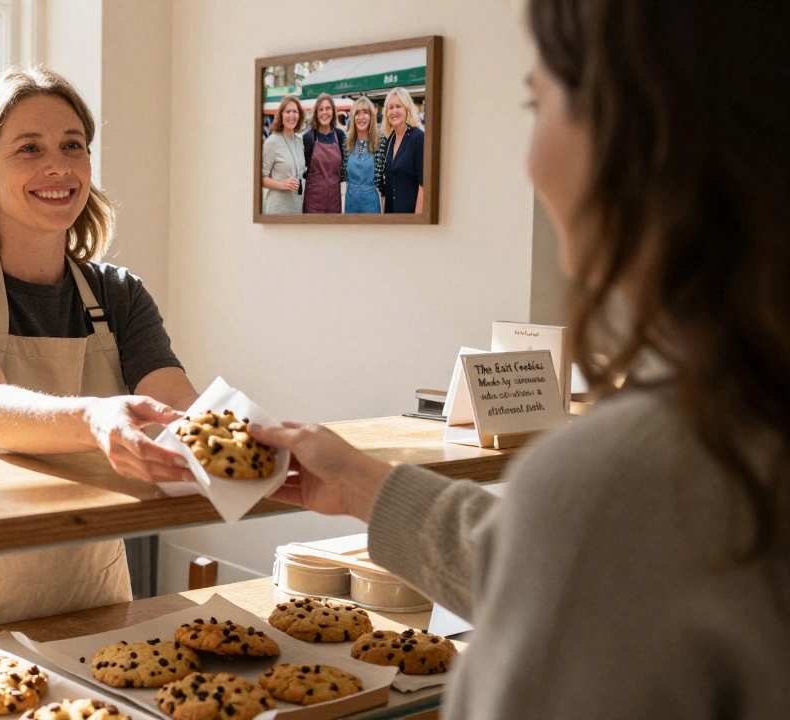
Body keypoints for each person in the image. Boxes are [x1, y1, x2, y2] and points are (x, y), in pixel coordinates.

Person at [252, 0, 790, 715]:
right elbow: (591, 576)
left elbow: (598, 553)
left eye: (537, 102)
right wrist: (365, 486)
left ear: (644, 130)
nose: (531, 160)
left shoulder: (627, 478)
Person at [0, 67, 198, 643]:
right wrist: (98, 418)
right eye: (30, 149)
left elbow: (178, 405)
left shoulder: (117, 294)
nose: (59, 167)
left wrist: (256, 442)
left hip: (89, 585)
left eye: (73, 146)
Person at [380, 87, 425, 214]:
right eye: (390, 107)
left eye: (398, 106)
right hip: (391, 215)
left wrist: (417, 219)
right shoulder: (390, 140)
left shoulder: (418, 138)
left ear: (407, 109)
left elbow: (424, 185)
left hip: (409, 215)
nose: (394, 111)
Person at [300, 94, 347, 214]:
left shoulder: (340, 136)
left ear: (333, 111)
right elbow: (301, 168)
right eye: (321, 109)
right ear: (316, 113)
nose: (324, 112)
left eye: (328, 108)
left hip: (334, 200)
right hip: (313, 202)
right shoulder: (308, 138)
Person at [260, 95, 305, 215]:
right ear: (281, 115)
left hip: (296, 209)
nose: (291, 115)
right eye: (288, 111)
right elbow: (260, 178)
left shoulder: (299, 141)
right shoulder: (272, 142)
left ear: (299, 115)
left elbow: (299, 174)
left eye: (295, 111)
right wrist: (283, 184)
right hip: (278, 210)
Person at [343, 96, 382, 214]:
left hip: (370, 203)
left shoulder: (380, 142)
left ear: (371, 116)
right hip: (350, 202)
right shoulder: (346, 142)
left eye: (365, 112)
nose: (361, 117)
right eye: (357, 113)